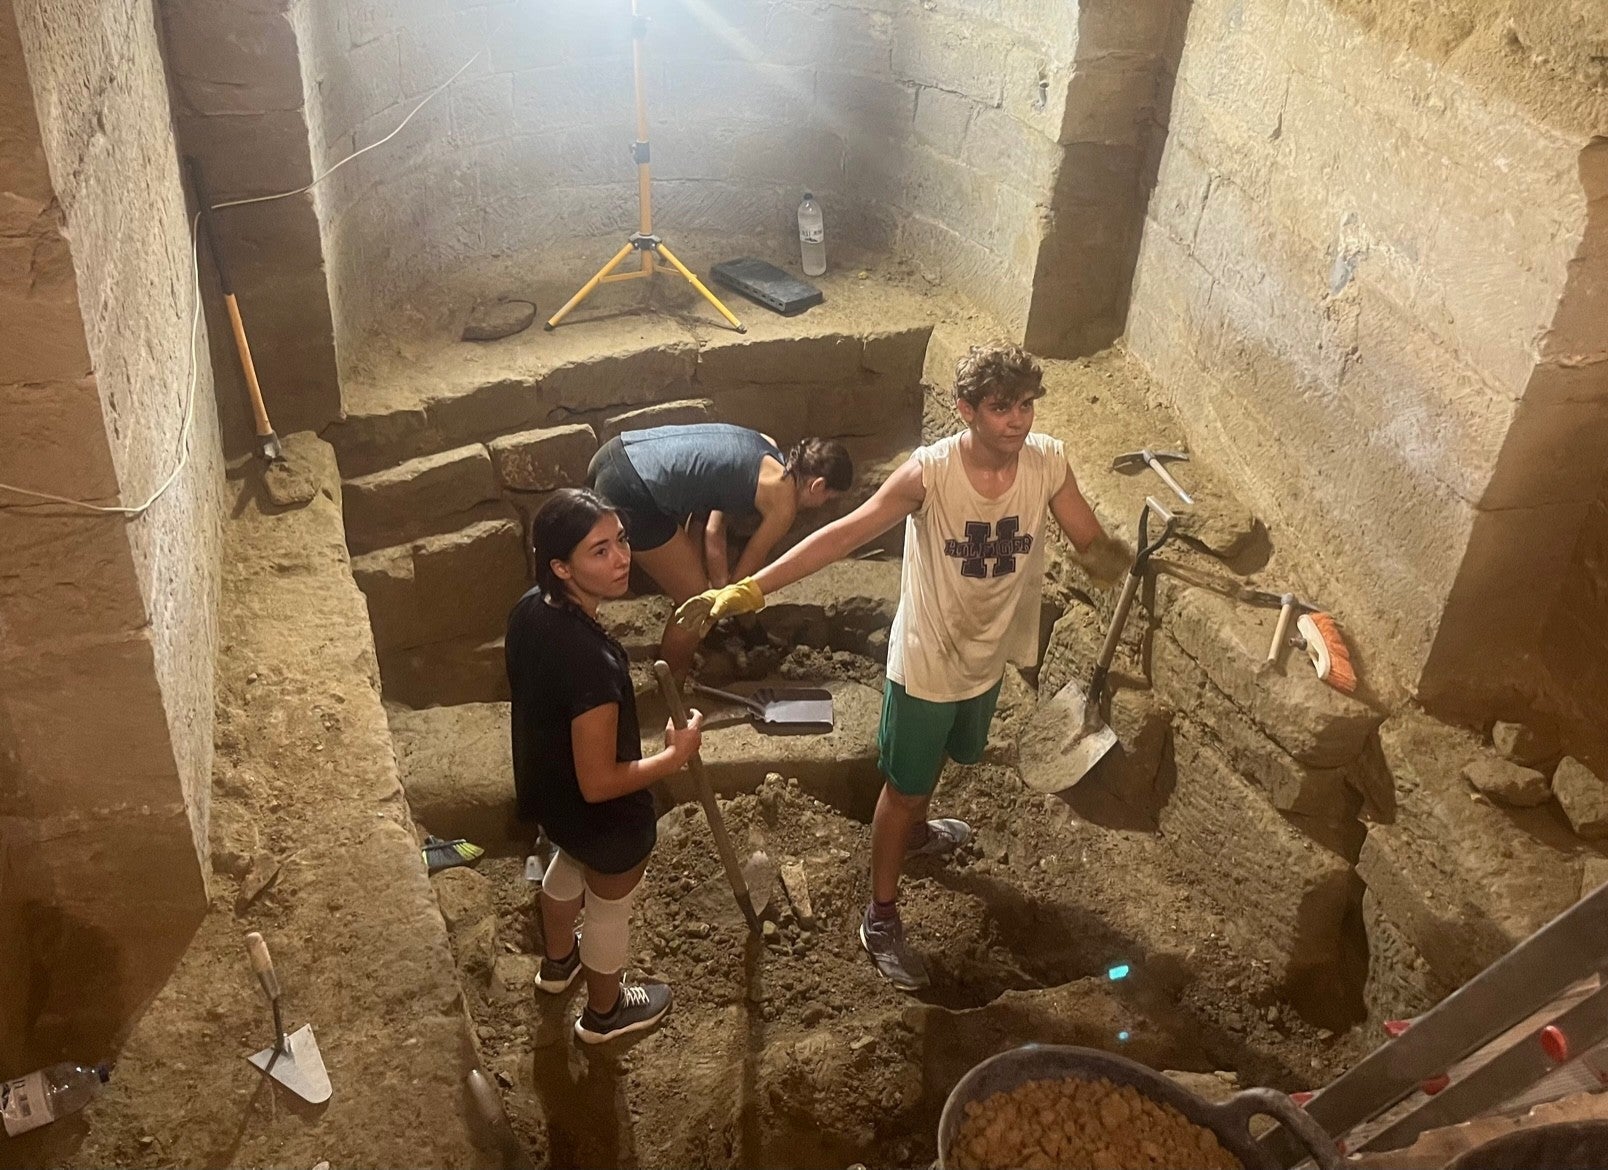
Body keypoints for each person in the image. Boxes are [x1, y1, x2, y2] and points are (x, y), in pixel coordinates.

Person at [675, 343, 1129, 990]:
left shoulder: (1048, 462)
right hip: (927, 660)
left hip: (987, 652)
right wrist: (752, 588)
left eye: (1027, 405)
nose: (1018, 420)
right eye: (1001, 408)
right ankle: (881, 915)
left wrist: (1116, 560)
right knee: (904, 786)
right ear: (966, 409)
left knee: (944, 757)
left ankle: (914, 835)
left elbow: (1089, 539)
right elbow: (846, 534)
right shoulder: (930, 475)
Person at [506, 488, 705, 1042]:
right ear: (561, 566)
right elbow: (598, 783)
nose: (622, 558)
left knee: (569, 863)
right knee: (609, 910)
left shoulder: (530, 610)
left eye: (621, 540)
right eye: (600, 551)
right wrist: (674, 756)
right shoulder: (592, 663)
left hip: (553, 798)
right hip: (605, 818)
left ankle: (558, 964)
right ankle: (604, 1014)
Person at [587, 423, 853, 677]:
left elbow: (713, 530)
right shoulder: (784, 505)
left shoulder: (767, 446)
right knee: (694, 605)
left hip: (615, 452)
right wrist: (745, 624)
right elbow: (745, 579)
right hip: (632, 490)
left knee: (694, 591)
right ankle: (673, 688)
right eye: (828, 498)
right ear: (817, 485)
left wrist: (720, 594)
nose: (824, 505)